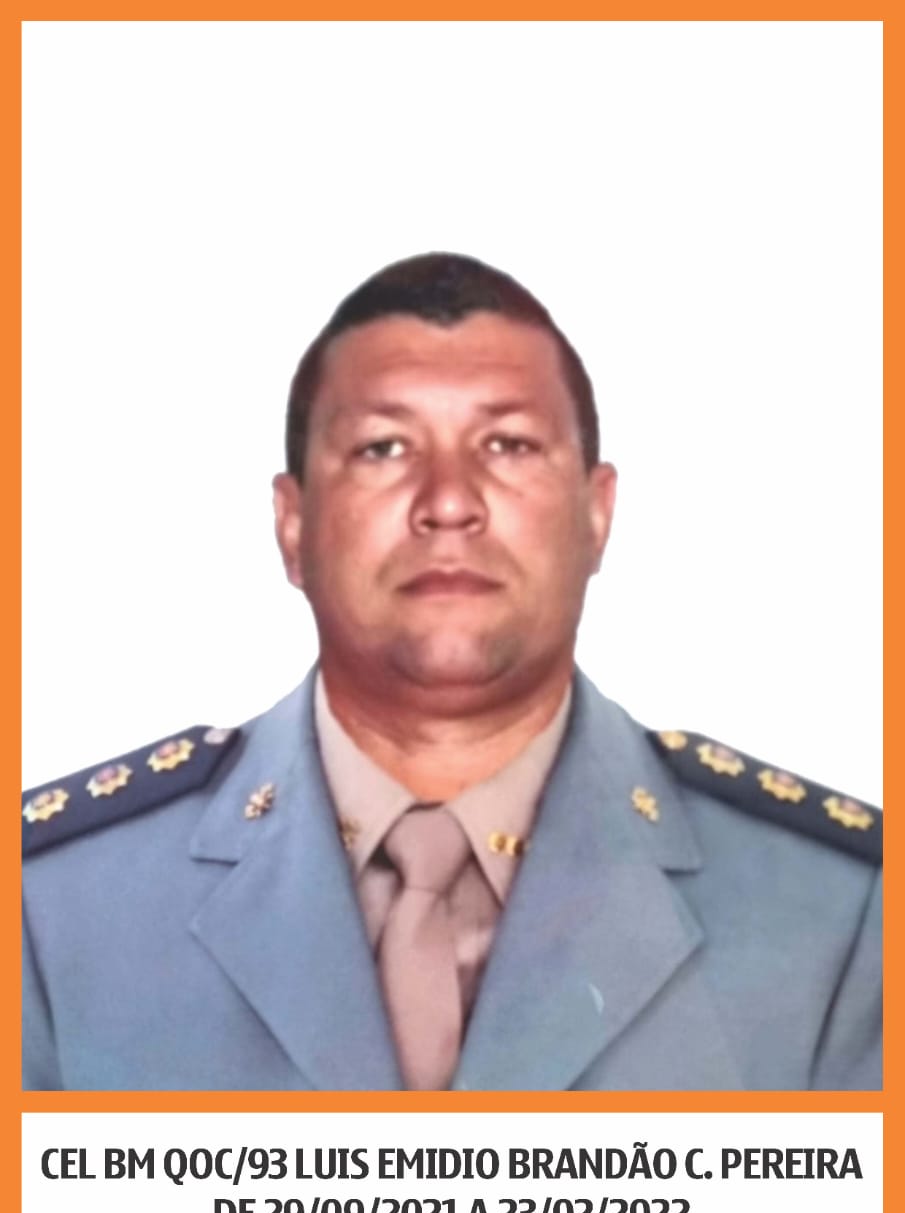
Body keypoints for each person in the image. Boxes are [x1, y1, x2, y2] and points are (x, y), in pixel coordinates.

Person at [22, 252, 881, 1091]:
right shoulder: (52, 908)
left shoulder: (840, 915)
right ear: (293, 525)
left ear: (596, 515)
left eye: (506, 445)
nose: (447, 503)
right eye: (383, 448)